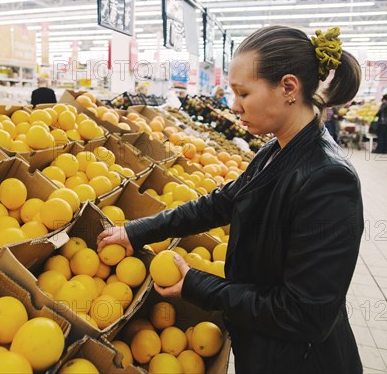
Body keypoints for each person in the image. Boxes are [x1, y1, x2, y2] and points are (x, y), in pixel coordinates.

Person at [98, 25, 364, 373]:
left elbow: (304, 314)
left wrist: (196, 284)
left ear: (288, 88)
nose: (234, 106)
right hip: (263, 348)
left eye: (243, 94)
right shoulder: (277, 148)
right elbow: (220, 204)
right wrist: (136, 231)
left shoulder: (329, 180)